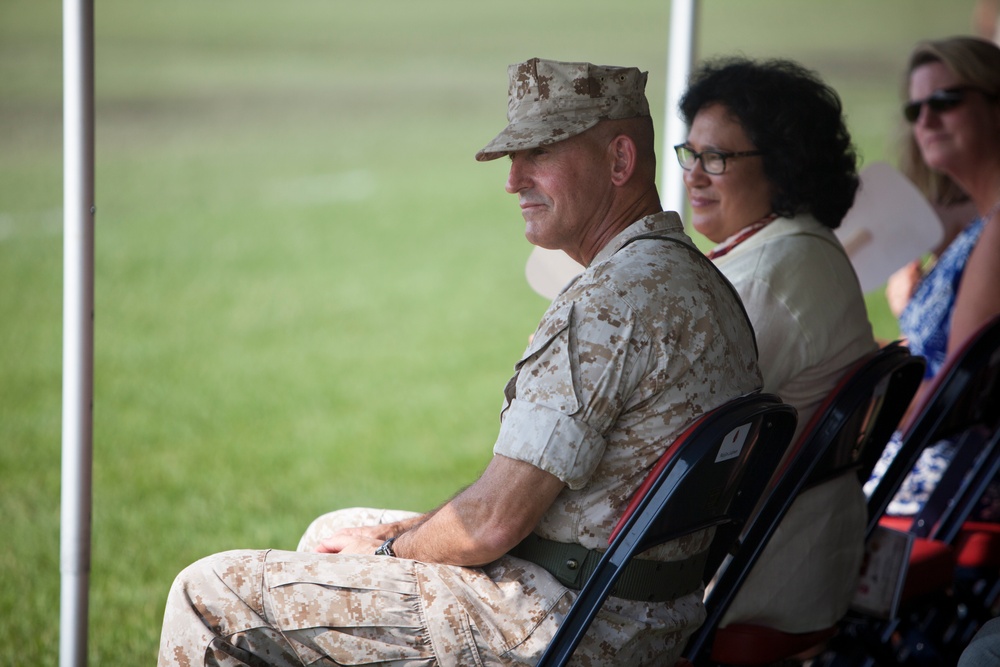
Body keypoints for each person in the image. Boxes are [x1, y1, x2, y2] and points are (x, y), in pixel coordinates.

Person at [156, 58, 762, 666]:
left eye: (541, 153)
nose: (513, 179)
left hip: (557, 622)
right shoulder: (700, 281)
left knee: (209, 594)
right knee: (334, 532)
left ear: (619, 161)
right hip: (638, 614)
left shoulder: (611, 302)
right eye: (512, 157)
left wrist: (390, 553)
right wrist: (390, 536)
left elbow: (493, 522)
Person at [675, 57, 877, 636]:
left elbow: (674, 444)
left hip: (747, 581)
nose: (694, 175)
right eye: (691, 154)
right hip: (798, 563)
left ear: (784, 167)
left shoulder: (772, 273)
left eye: (718, 157)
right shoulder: (800, 249)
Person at [865, 36, 1000, 518]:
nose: (926, 120)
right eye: (916, 109)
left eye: (946, 101)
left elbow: (954, 393)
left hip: (948, 488)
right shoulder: (983, 226)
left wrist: (852, 404)